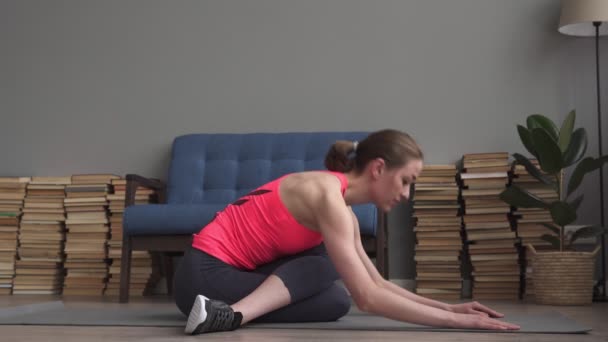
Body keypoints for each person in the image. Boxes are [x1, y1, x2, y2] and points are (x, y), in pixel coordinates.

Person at [173, 129, 520, 335]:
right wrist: (460, 325)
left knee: (336, 300)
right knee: (324, 264)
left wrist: (451, 308)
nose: (405, 194)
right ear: (379, 168)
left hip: (230, 278)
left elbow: (378, 284)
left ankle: (227, 313)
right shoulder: (327, 198)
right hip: (202, 277)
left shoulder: (344, 211)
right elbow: (368, 299)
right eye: (405, 181)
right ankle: (230, 316)